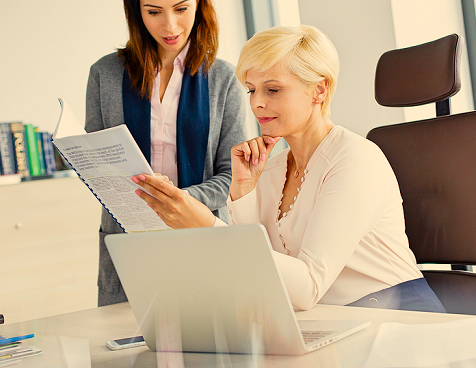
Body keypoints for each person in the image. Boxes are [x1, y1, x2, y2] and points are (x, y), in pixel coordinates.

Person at [131, 25, 447, 313]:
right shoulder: (270, 169)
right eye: (252, 90)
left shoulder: (354, 159)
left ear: (319, 90)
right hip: (334, 321)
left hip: (399, 321)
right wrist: (243, 192)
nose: (256, 104)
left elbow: (307, 286)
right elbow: (260, 278)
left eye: (273, 89)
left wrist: (204, 225)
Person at [85, 0, 247, 306]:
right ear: (136, 10)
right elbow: (97, 168)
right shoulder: (105, 74)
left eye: (181, 8)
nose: (169, 26)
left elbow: (231, 175)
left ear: (199, 3)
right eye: (154, 12)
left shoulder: (223, 79)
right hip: (129, 240)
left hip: (200, 234)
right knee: (125, 350)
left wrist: (175, 202)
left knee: (210, 345)